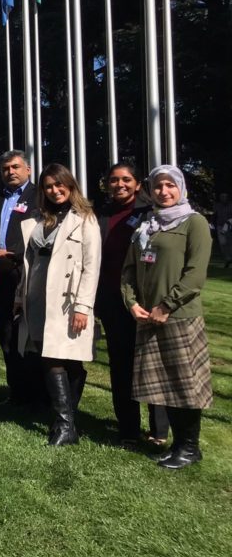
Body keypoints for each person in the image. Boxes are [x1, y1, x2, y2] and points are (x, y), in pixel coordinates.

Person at [123, 165, 214, 470]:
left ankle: (189, 447)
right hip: (147, 317)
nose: (163, 191)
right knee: (165, 386)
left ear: (180, 188)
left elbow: (195, 275)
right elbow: (129, 269)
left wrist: (167, 306)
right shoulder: (147, 224)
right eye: (157, 186)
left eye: (169, 185)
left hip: (178, 317)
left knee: (184, 384)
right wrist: (132, 302)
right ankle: (179, 444)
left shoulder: (194, 223)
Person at [15, 164, 101, 446]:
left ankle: (66, 424)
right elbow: (27, 265)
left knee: (69, 360)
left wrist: (83, 307)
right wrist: (20, 297)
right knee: (50, 356)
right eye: (49, 186)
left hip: (67, 300)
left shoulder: (85, 219)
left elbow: (91, 267)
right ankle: (66, 423)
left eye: (59, 184)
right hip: (38, 294)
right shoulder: (40, 218)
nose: (54, 190)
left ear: (70, 185)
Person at [95, 163, 168, 446]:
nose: (119, 184)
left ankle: (158, 430)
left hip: (147, 301)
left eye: (126, 179)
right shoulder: (101, 214)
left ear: (138, 184)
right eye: (113, 180)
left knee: (151, 363)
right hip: (113, 299)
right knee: (121, 365)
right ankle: (128, 429)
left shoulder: (152, 212)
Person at [0, 150, 39, 404]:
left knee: (31, 337)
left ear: (28, 170)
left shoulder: (39, 196)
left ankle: (39, 395)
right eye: (6, 168)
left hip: (29, 274)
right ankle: (17, 393)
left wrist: (15, 253)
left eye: (15, 167)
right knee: (6, 336)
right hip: (0, 277)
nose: (10, 172)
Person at [213, 192, 232, 267]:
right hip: (220, 226)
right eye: (222, 197)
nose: (223, 198)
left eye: (225, 197)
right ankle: (228, 258)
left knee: (230, 243)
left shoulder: (231, 205)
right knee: (222, 243)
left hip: (229, 226)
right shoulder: (217, 206)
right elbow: (214, 215)